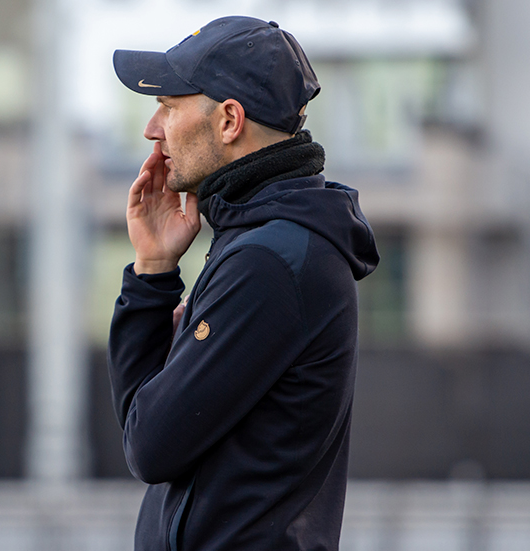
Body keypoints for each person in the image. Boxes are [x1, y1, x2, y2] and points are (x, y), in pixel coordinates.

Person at [107, 16, 380, 551]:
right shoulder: (260, 241)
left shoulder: (269, 261)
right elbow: (145, 424)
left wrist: (150, 288)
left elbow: (149, 447)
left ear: (230, 120)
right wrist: (153, 270)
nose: (152, 129)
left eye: (170, 105)